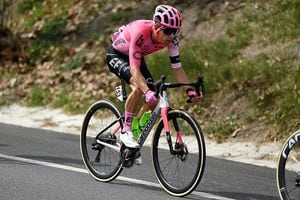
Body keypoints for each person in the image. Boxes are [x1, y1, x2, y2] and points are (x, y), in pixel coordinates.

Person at [106, 5, 201, 150]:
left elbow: (177, 67)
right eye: (168, 31)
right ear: (157, 27)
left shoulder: (172, 40)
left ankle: (134, 131)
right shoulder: (141, 32)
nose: (171, 35)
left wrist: (189, 90)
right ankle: (125, 131)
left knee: (153, 98)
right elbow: (134, 70)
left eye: (175, 31)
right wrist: (146, 91)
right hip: (118, 55)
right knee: (139, 88)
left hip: (136, 57)